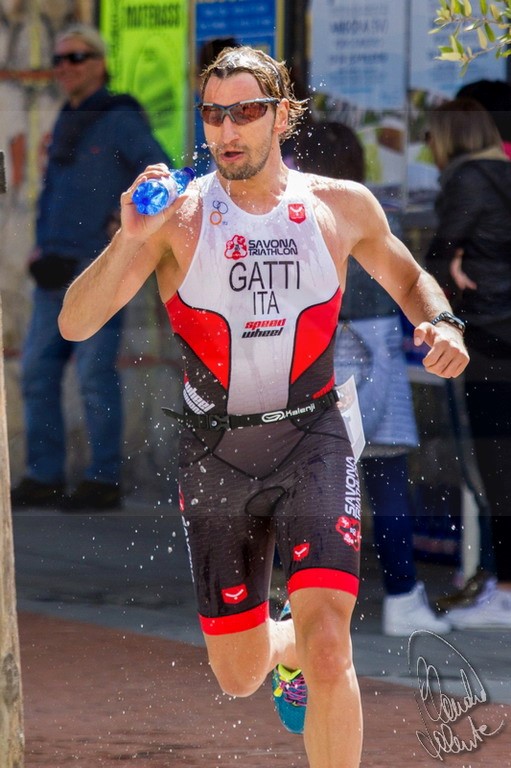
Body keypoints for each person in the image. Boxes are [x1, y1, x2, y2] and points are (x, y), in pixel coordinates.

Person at [57, 46, 468, 767]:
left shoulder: (340, 205)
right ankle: (284, 648)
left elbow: (409, 279)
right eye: (214, 114)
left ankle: (307, 649)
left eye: (246, 111)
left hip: (314, 438)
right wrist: (129, 240)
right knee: (239, 673)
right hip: (216, 453)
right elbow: (74, 323)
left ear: (282, 117)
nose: (228, 130)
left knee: (331, 644)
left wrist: (442, 324)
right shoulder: (178, 218)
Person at [294, 120, 451, 637]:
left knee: (308, 490)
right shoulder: (373, 213)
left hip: (313, 357)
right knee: (387, 486)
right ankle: (402, 598)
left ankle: (301, 605)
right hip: (376, 355)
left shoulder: (290, 218)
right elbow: (406, 282)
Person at [10, 23, 170, 511]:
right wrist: (39, 245)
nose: (65, 67)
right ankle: (44, 476)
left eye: (76, 57)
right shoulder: (67, 117)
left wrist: (121, 226)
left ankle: (103, 479)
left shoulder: (118, 117)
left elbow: (159, 171)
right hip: (52, 267)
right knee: (37, 373)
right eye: (59, 59)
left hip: (97, 267)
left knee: (95, 375)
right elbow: (54, 192)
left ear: (100, 63)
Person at [425, 98, 511, 629]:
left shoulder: (466, 179)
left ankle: (503, 590)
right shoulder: (505, 172)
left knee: (496, 467)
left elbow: (434, 263)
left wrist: (449, 264)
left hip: (490, 339)